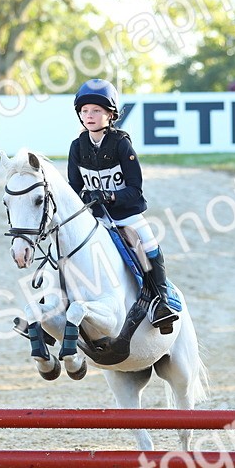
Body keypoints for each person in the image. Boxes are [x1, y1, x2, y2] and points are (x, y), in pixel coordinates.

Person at [67, 79, 177, 327]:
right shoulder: (77, 147)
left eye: (96, 110)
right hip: (94, 217)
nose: (89, 115)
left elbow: (135, 189)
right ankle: (53, 304)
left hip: (125, 215)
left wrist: (110, 196)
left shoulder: (121, 144)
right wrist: (85, 198)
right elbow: (74, 187)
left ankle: (161, 301)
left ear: (110, 114)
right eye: (85, 110)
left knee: (149, 243)